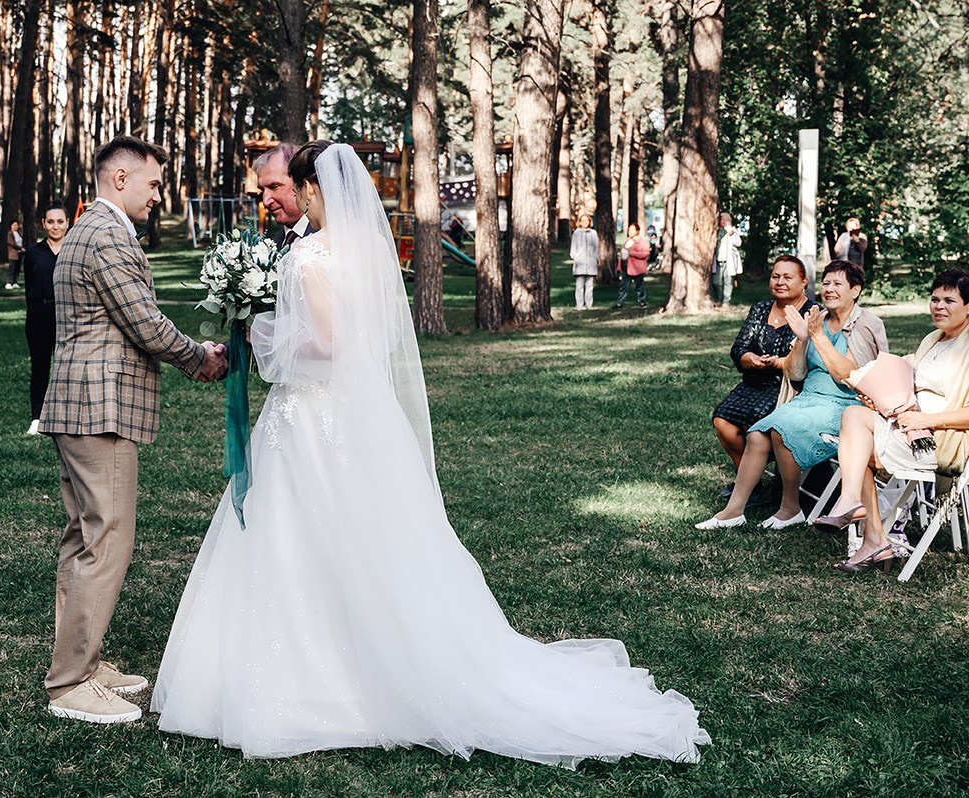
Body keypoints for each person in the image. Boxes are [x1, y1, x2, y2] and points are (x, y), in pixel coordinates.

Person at [151, 141, 709, 767]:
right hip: (356, 418)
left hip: (310, 417)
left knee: (305, 533)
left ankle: (317, 680)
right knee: (368, 539)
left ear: (312, 191)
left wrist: (259, 335)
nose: (284, 200)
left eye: (291, 190)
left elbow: (326, 346)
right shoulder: (362, 251)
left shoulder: (309, 255)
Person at [39, 135, 228, 724]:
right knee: (107, 537)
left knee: (82, 536)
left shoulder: (87, 230)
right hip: (99, 408)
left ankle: (82, 663)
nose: (158, 194)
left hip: (78, 405)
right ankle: (71, 683)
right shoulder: (106, 236)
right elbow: (144, 323)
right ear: (120, 179)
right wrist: (200, 356)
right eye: (152, 183)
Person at [696, 260, 888, 530]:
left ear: (855, 291)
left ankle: (790, 507)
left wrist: (816, 337)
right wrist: (801, 339)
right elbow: (796, 374)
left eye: (837, 284)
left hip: (846, 406)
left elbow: (851, 376)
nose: (829, 289)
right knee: (757, 432)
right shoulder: (819, 319)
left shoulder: (865, 323)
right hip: (809, 398)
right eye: (827, 282)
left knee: (781, 429)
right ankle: (733, 511)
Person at [820, 269, 969, 572]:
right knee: (854, 422)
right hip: (907, 427)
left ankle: (870, 534)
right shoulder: (934, 340)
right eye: (934, 299)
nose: (939, 306)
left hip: (939, 439)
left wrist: (927, 419)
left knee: (854, 446)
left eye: (949, 301)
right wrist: (882, 398)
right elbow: (906, 381)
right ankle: (869, 532)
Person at [711, 255, 816, 498]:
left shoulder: (813, 313)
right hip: (754, 383)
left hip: (790, 388)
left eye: (788, 277)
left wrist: (779, 363)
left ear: (803, 282)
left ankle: (761, 478)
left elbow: (811, 360)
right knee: (722, 420)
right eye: (776, 276)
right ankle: (751, 482)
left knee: (758, 423)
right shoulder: (760, 309)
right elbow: (739, 348)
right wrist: (751, 359)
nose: (780, 282)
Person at [22, 200, 69, 436]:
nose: (55, 226)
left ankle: (63, 417)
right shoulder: (33, 252)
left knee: (65, 368)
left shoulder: (74, 251)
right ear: (43, 224)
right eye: (50, 222)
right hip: (39, 316)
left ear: (68, 223)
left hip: (67, 316)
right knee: (40, 368)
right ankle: (37, 418)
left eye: (60, 221)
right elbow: (29, 287)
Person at [252, 142, 314, 247]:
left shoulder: (328, 239)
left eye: (274, 187)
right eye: (262, 190)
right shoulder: (275, 243)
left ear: (302, 184)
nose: (266, 201)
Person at [614, 223, 650, 309]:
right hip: (626, 267)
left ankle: (642, 302)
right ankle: (620, 303)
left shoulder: (641, 242)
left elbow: (645, 253)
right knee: (624, 286)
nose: (630, 231)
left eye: (632, 230)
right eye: (629, 230)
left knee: (639, 286)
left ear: (637, 231)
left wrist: (633, 253)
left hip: (637, 268)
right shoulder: (627, 240)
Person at [570, 213, 599, 309]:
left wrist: (595, 257)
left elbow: (596, 246)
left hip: (591, 262)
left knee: (589, 286)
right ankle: (579, 304)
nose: (585, 222)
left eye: (586, 221)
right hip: (580, 262)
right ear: (580, 222)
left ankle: (589, 304)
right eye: (583, 221)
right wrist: (575, 257)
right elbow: (573, 246)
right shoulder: (577, 233)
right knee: (579, 286)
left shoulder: (593, 233)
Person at [713, 213, 742, 305]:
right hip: (717, 260)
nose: (724, 222)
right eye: (722, 220)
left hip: (729, 261)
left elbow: (738, 243)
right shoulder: (716, 231)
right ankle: (718, 298)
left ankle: (726, 301)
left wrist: (730, 231)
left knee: (728, 282)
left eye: (726, 220)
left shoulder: (732, 231)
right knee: (716, 282)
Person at [5, 220, 25, 290]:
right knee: (12, 268)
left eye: (16, 225)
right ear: (11, 226)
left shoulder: (18, 233)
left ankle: (15, 282)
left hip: (19, 253)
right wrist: (20, 248)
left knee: (17, 268)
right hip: (13, 254)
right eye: (14, 225)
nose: (15, 226)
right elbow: (12, 243)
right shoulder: (10, 234)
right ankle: (8, 282)